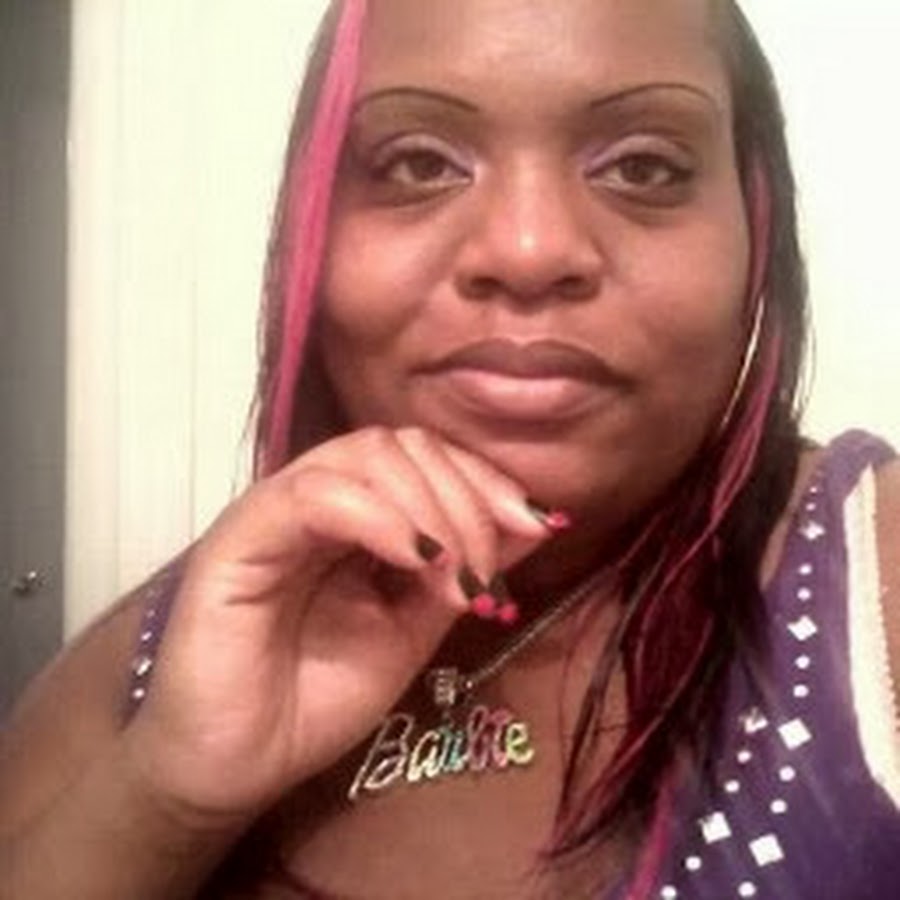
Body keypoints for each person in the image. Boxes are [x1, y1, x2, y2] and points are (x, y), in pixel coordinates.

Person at [1, 0, 899, 897]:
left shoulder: (874, 578)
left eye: (643, 167)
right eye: (420, 163)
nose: (529, 251)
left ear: (755, 227)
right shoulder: (163, 656)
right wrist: (166, 795)